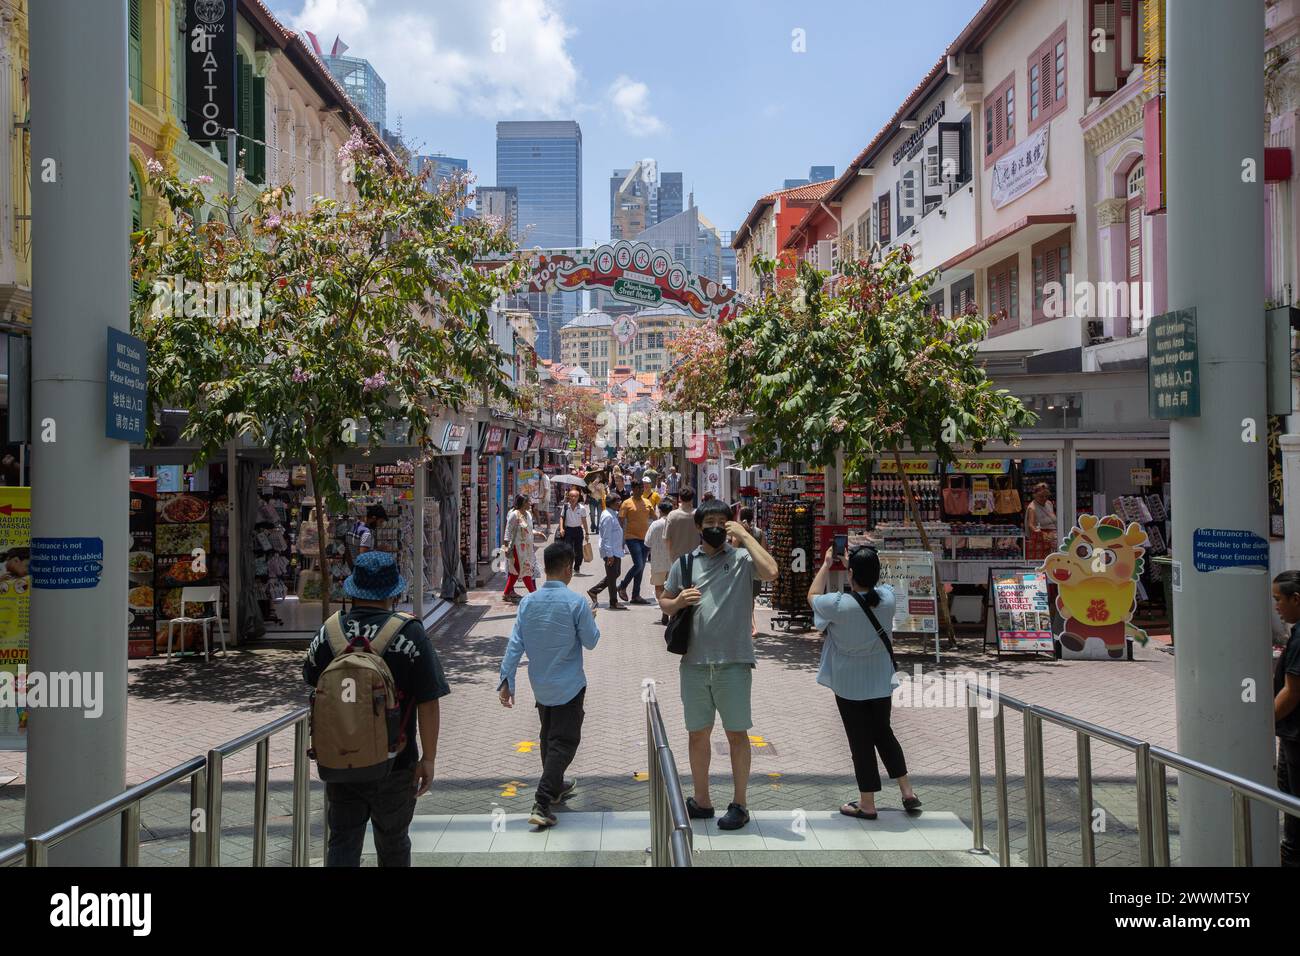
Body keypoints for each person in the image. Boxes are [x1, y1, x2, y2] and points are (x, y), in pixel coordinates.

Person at [303, 550, 450, 866]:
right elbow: (428, 700)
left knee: (342, 841)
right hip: (395, 762)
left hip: (339, 763)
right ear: (394, 592)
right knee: (394, 842)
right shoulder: (409, 633)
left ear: (352, 589)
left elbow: (312, 680)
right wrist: (429, 759)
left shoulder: (329, 632)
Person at [659, 498, 779, 830]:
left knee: (737, 735)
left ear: (728, 526)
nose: (714, 527)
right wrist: (678, 600)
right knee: (697, 735)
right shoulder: (684, 563)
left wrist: (747, 535)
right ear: (698, 527)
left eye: (720, 522)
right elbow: (665, 603)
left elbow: (771, 571)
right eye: (708, 521)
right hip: (695, 664)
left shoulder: (742, 558)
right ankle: (702, 800)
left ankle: (740, 804)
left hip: (734, 663)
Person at [807, 545, 921, 820]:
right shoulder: (888, 598)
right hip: (881, 679)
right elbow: (874, 589)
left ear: (850, 574)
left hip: (849, 682)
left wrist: (826, 564)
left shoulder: (837, 604)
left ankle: (867, 802)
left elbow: (812, 595)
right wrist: (854, 566)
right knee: (883, 732)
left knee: (860, 741)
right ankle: (907, 791)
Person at [498, 543, 601, 827]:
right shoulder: (577, 603)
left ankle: (555, 787)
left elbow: (515, 644)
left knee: (548, 736)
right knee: (564, 742)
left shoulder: (528, 602)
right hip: (569, 685)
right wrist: (591, 619)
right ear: (569, 568)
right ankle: (542, 801)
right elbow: (591, 642)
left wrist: (507, 680)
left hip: (540, 684)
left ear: (545, 568)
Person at [1271, 571, 1300, 866]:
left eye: (1279, 600)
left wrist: (1259, 725)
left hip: (1296, 735)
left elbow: (1292, 692)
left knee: (1293, 801)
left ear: (1296, 599)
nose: (1277, 607)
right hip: (1291, 733)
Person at [616, 481, 656, 606]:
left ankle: (636, 595)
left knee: (641, 567)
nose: (641, 490)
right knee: (638, 564)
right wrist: (620, 541)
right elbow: (620, 522)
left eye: (641, 488)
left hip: (645, 539)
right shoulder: (626, 503)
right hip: (631, 538)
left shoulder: (647, 502)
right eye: (638, 488)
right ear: (633, 489)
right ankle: (622, 586)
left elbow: (654, 517)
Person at [588, 494, 626, 610]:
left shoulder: (612, 513)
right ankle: (613, 602)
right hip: (611, 551)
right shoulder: (608, 516)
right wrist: (609, 555)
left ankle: (594, 591)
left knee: (614, 574)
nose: (620, 503)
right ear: (611, 503)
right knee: (612, 576)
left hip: (615, 550)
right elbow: (606, 537)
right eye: (617, 502)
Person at [503, 495, 538, 603]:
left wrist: (538, 533)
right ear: (523, 503)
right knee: (525, 569)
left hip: (527, 548)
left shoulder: (528, 514)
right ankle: (533, 594)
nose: (530, 504)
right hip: (517, 548)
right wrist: (506, 547)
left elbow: (529, 530)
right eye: (528, 502)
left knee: (515, 572)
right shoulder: (514, 515)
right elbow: (508, 530)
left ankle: (506, 593)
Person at [646, 500, 674, 625]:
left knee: (659, 587)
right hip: (673, 560)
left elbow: (647, 542)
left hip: (658, 561)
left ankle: (664, 609)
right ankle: (669, 610)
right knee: (672, 587)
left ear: (660, 511)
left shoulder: (655, 524)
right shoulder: (675, 524)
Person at [558, 486, 590, 575]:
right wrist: (561, 528)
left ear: (578, 497)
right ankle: (569, 566)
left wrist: (587, 533)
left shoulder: (582, 508)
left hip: (578, 530)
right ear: (568, 497)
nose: (573, 498)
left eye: (575, 496)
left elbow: (584, 521)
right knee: (568, 549)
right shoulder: (565, 507)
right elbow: (561, 517)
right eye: (571, 496)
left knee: (579, 551)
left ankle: (577, 566)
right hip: (568, 530)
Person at [666, 486, 702, 564]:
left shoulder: (672, 515)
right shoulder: (698, 514)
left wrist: (671, 554)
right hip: (696, 558)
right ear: (692, 498)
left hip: (677, 559)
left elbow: (667, 539)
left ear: (680, 498)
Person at [1025, 483, 1057, 561]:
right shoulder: (1032, 508)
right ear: (1034, 495)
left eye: (1046, 496)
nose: (1044, 498)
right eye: (1041, 496)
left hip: (1054, 536)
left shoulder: (1049, 503)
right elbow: (1030, 525)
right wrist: (1041, 533)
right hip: (1041, 537)